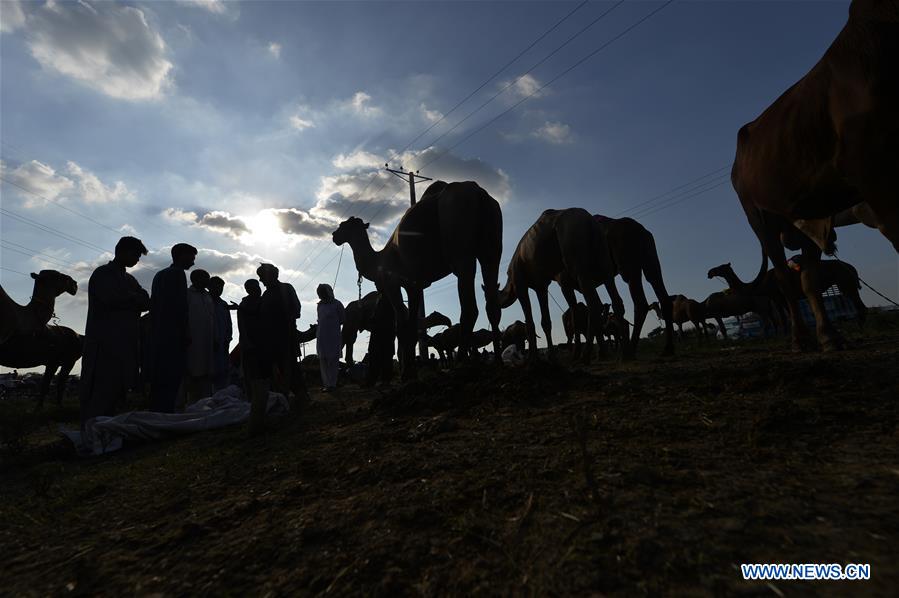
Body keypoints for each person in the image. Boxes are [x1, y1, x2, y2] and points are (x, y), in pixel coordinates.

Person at [80, 236, 150, 428]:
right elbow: (111, 299)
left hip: (125, 346)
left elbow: (146, 300)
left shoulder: (130, 279)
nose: (137, 260)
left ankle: (109, 434)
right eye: (135, 255)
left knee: (118, 392)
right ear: (122, 251)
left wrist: (130, 298)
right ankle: (91, 434)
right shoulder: (103, 273)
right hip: (103, 345)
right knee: (99, 392)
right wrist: (133, 299)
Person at [149, 243, 196, 413]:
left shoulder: (159, 275)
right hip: (173, 333)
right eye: (191, 257)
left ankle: (158, 410)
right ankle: (165, 413)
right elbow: (180, 307)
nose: (193, 262)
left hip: (159, 332)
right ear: (181, 255)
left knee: (160, 375)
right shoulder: (178, 274)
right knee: (172, 375)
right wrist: (185, 332)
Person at [257, 263, 308, 403]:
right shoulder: (266, 294)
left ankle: (300, 395)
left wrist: (285, 319)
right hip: (271, 339)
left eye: (262, 277)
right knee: (277, 369)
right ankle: (283, 397)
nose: (261, 280)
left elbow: (296, 310)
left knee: (290, 367)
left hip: (286, 336)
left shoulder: (286, 289)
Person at [186, 269, 214, 403]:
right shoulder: (187, 295)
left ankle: (201, 404)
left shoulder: (207, 296)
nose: (208, 281)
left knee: (205, 374)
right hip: (192, 341)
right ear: (196, 279)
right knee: (191, 374)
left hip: (207, 341)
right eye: (206, 278)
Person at [315, 284, 345, 392]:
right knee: (323, 360)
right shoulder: (320, 306)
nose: (321, 295)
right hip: (321, 336)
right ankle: (326, 384)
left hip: (333, 336)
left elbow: (342, 319)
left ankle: (332, 384)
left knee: (333, 360)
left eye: (322, 293)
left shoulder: (337, 304)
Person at [208, 276, 234, 391]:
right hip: (206, 346)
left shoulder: (223, 305)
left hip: (222, 346)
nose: (218, 289)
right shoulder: (205, 300)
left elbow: (229, 325)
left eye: (221, 287)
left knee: (222, 375)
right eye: (216, 286)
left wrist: (227, 340)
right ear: (209, 287)